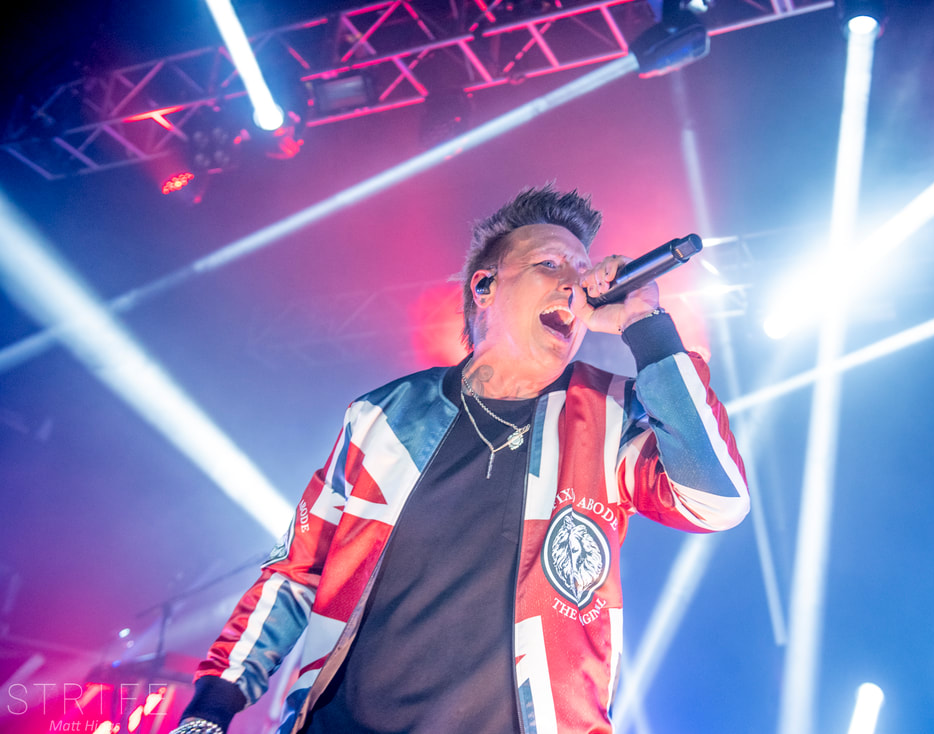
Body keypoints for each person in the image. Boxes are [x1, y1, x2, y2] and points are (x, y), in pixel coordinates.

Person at [170, 186, 750, 734]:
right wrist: (213, 705)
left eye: (583, 274)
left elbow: (718, 500)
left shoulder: (609, 415)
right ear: (485, 286)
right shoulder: (387, 416)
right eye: (550, 265)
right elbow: (297, 572)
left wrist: (645, 323)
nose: (574, 285)